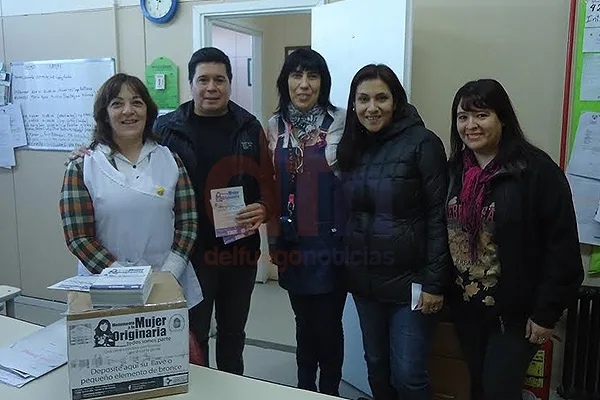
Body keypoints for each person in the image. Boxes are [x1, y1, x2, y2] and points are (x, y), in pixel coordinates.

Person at [445, 79, 584, 400]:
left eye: (481, 115)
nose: (471, 125)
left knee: (499, 391)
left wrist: (546, 313)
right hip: (468, 310)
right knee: (479, 388)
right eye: (463, 117)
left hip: (516, 314)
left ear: (502, 118)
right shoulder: (455, 171)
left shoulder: (536, 171)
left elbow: (562, 248)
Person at [153, 47, 275, 375]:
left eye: (219, 79)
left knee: (233, 333)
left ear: (229, 84)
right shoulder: (166, 129)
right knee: (196, 332)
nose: (211, 87)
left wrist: (263, 207)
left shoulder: (249, 127)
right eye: (203, 79)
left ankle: (232, 387)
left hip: (240, 251)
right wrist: (92, 148)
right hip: (190, 252)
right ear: (190, 84)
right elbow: (130, 154)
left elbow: (267, 180)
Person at [336, 64, 450, 400]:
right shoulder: (353, 146)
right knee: (376, 366)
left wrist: (434, 283)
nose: (372, 107)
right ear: (354, 105)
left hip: (411, 285)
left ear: (396, 100)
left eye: (381, 98)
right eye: (363, 99)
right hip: (365, 282)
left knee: (409, 374)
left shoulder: (423, 143)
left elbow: (439, 217)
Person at [59, 73, 203, 309]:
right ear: (104, 114)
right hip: (104, 287)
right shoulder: (82, 166)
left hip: (166, 281)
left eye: (137, 102)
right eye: (117, 104)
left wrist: (169, 273)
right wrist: (123, 280)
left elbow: (188, 223)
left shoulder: (170, 160)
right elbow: (78, 237)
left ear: (148, 111)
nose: (128, 111)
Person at [264, 48, 346, 396]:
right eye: (296, 75)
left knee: (328, 324)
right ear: (285, 81)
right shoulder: (273, 125)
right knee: (303, 322)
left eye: (312, 76)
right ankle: (303, 388)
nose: (304, 84)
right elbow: (267, 183)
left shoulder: (341, 120)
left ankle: (329, 390)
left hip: (330, 240)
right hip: (291, 239)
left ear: (323, 82)